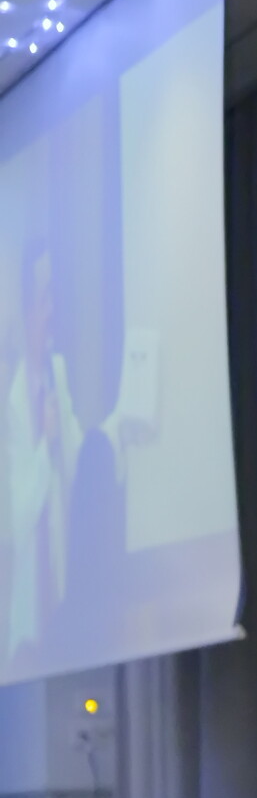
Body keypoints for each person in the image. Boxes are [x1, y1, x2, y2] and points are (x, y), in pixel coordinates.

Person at [6, 236, 83, 668]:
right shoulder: (11, 402)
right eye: (42, 299)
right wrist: (45, 445)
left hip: (63, 593)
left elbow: (76, 464)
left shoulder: (58, 373)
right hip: (27, 615)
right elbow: (15, 518)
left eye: (54, 296)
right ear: (24, 311)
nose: (51, 311)